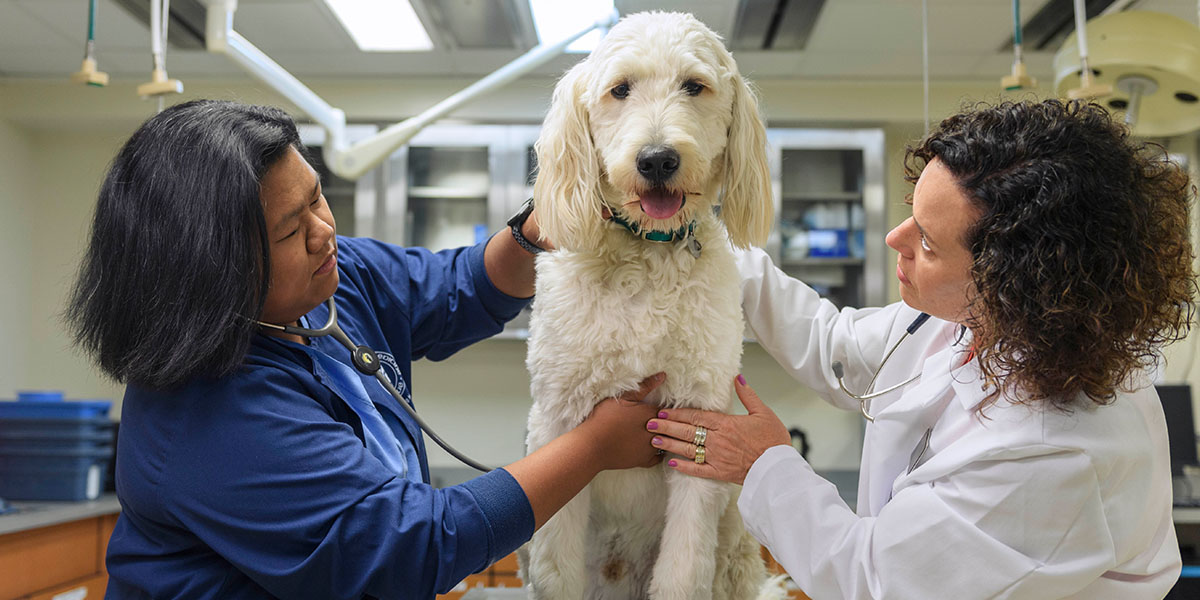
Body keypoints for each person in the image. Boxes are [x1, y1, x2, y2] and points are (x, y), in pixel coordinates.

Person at [65, 99, 663, 599]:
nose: (324, 231)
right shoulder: (209, 413)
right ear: (213, 274)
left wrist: (540, 227)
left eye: (316, 198)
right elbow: (411, 547)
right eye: (289, 230)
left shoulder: (329, 274)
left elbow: (461, 288)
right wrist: (594, 445)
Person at [648, 99, 1196, 598]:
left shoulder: (1054, 452)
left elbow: (874, 581)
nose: (895, 238)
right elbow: (833, 345)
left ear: (1014, 284)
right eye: (913, 210)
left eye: (927, 242)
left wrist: (764, 462)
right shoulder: (969, 323)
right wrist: (706, 245)